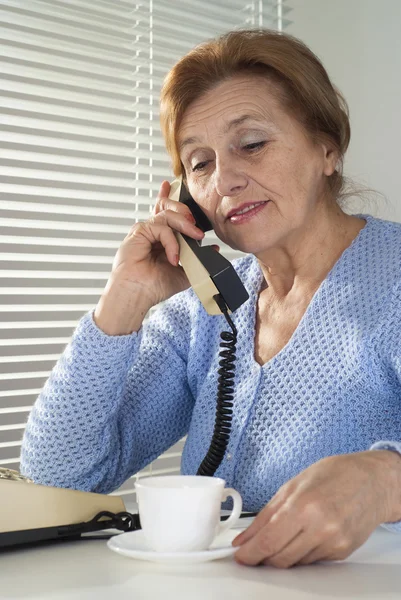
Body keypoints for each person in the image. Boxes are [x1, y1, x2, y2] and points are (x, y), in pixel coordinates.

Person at [20, 29, 401, 568]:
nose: (224, 180)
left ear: (327, 148)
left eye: (251, 144)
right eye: (199, 163)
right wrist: (124, 301)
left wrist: (386, 479)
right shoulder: (203, 316)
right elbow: (58, 474)